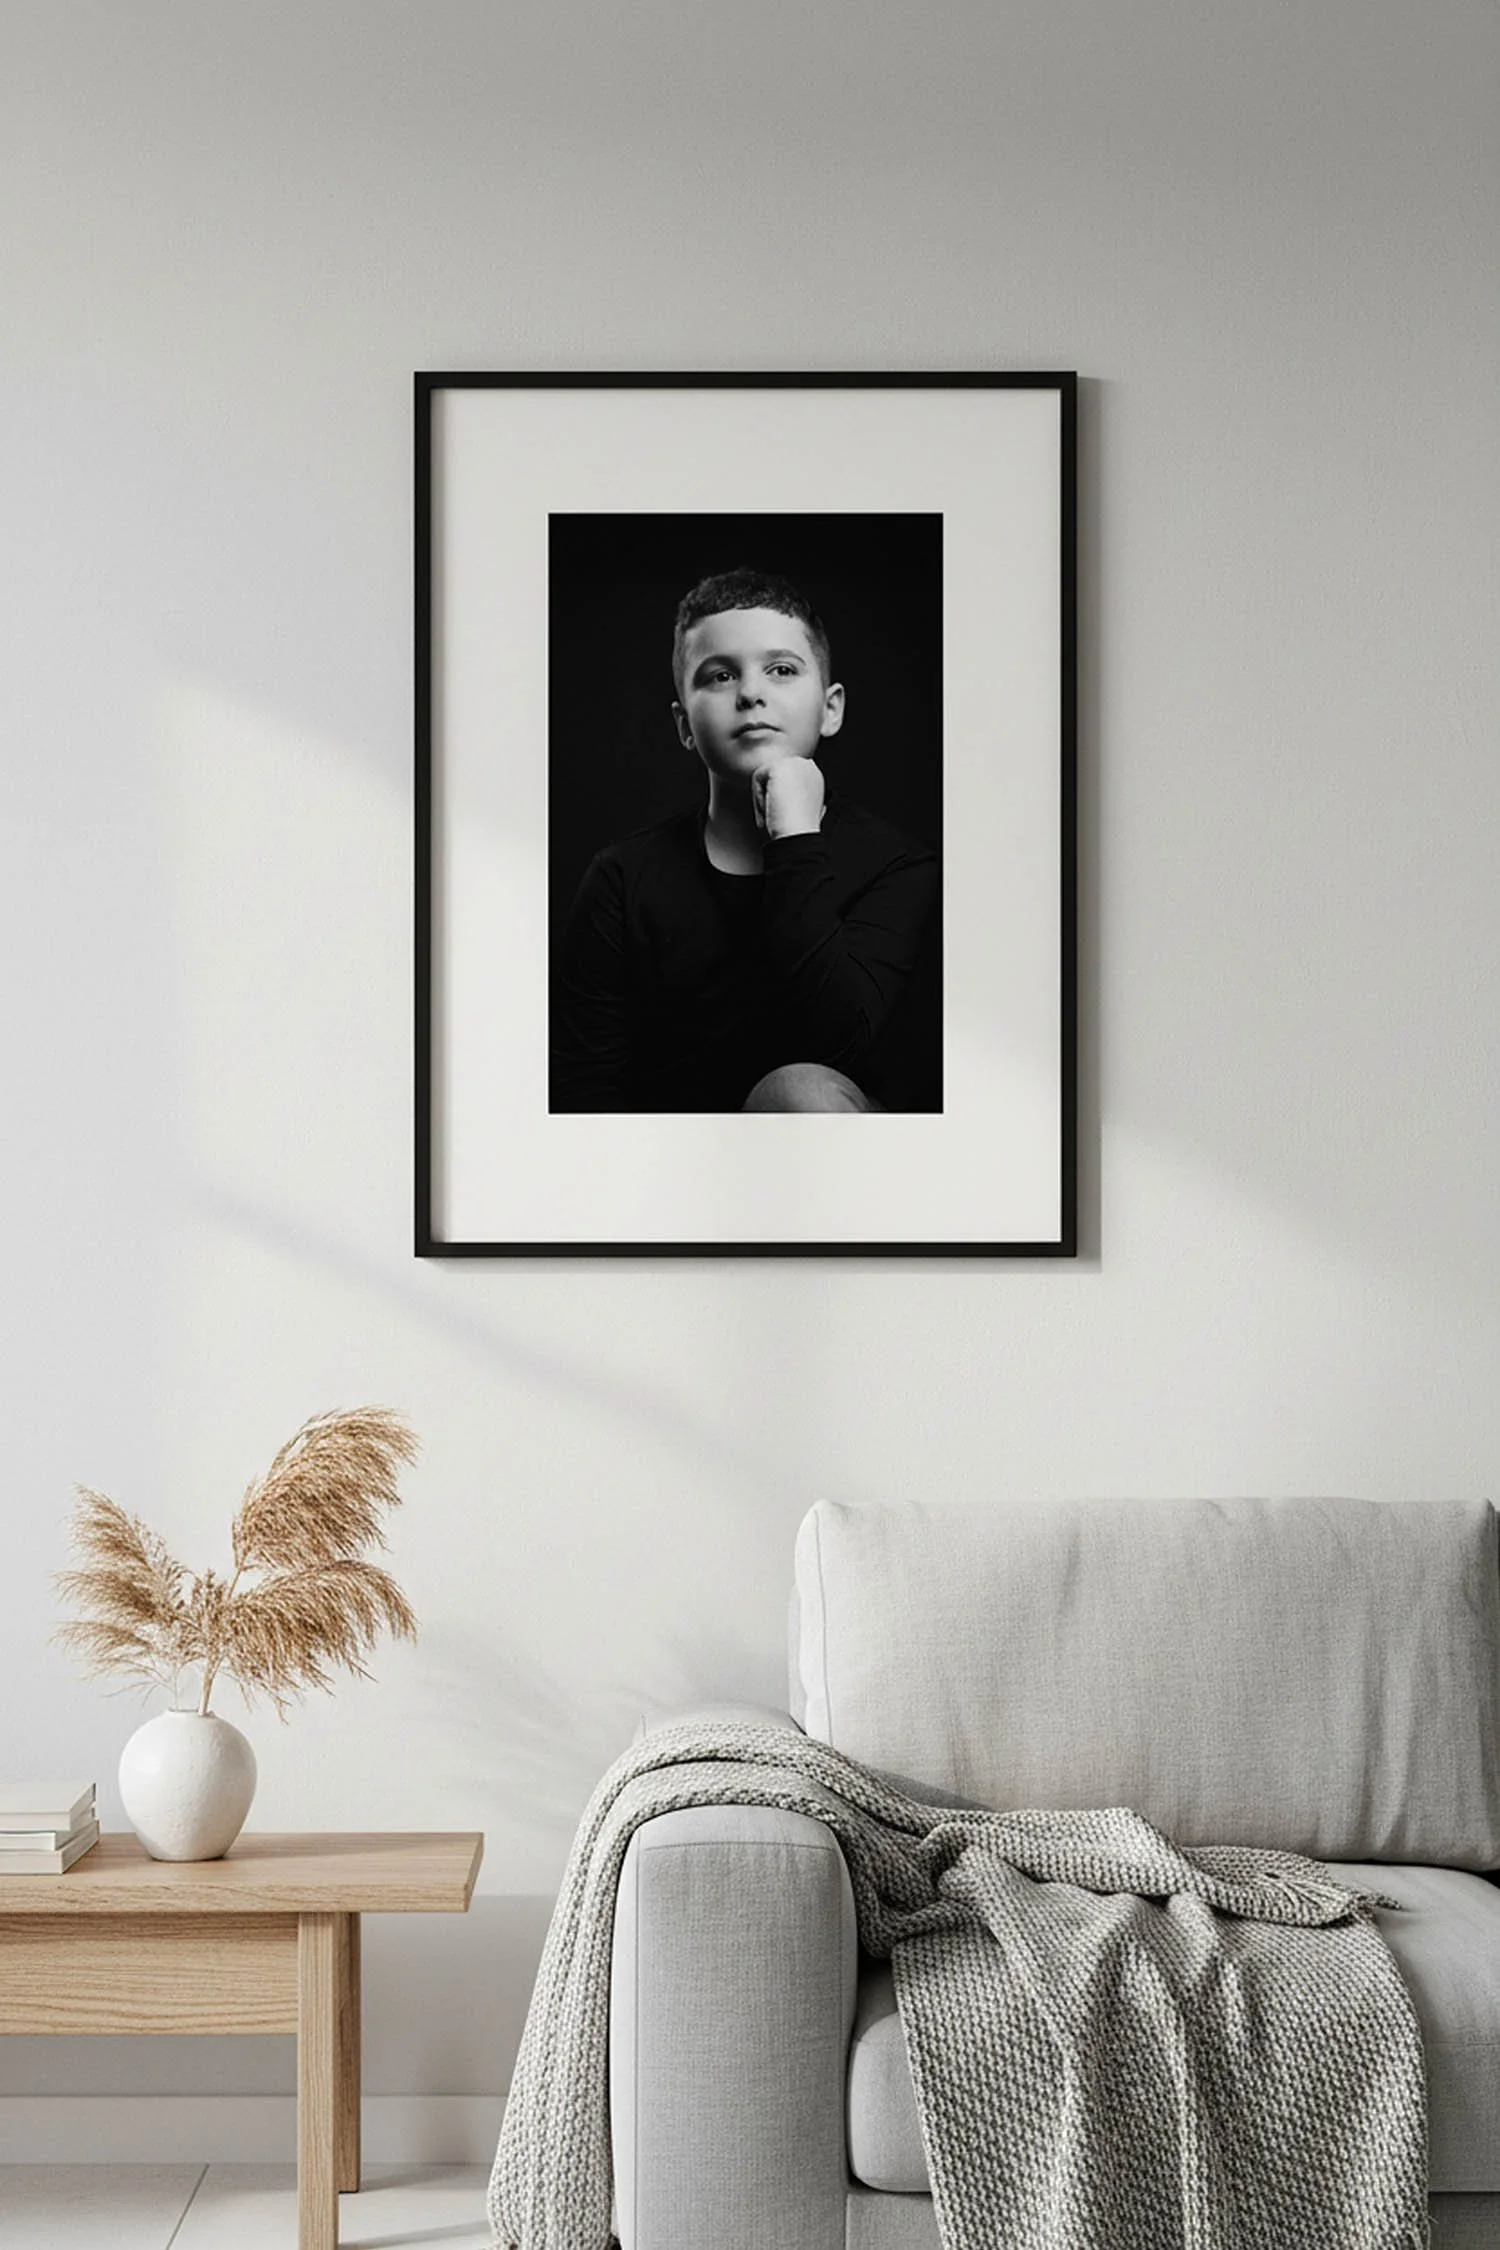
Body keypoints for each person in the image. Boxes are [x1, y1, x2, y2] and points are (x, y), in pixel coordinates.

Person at [550, 566, 939, 1113]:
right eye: (720, 676)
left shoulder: (897, 865)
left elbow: (837, 1041)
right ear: (684, 725)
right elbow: (581, 1088)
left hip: (841, 1170)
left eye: (781, 670)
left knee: (796, 1090)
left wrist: (795, 836)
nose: (752, 693)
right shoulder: (622, 877)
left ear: (831, 709)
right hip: (666, 1167)